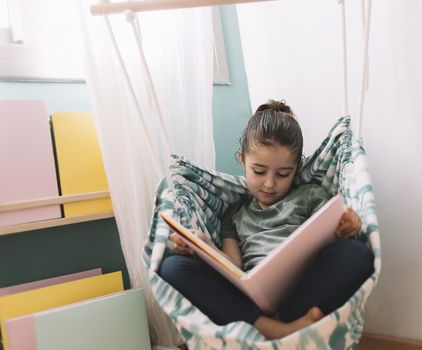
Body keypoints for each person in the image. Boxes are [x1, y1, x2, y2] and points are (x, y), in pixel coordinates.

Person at [159, 100, 374, 340]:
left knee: (357, 253)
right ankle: (271, 326)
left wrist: (349, 225)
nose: (270, 184)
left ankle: (281, 322)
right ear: (242, 159)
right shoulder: (234, 214)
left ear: (297, 167)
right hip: (252, 299)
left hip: (303, 288)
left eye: (283, 174)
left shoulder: (310, 196)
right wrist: (202, 246)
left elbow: (332, 234)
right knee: (172, 267)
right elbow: (232, 266)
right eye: (259, 171)